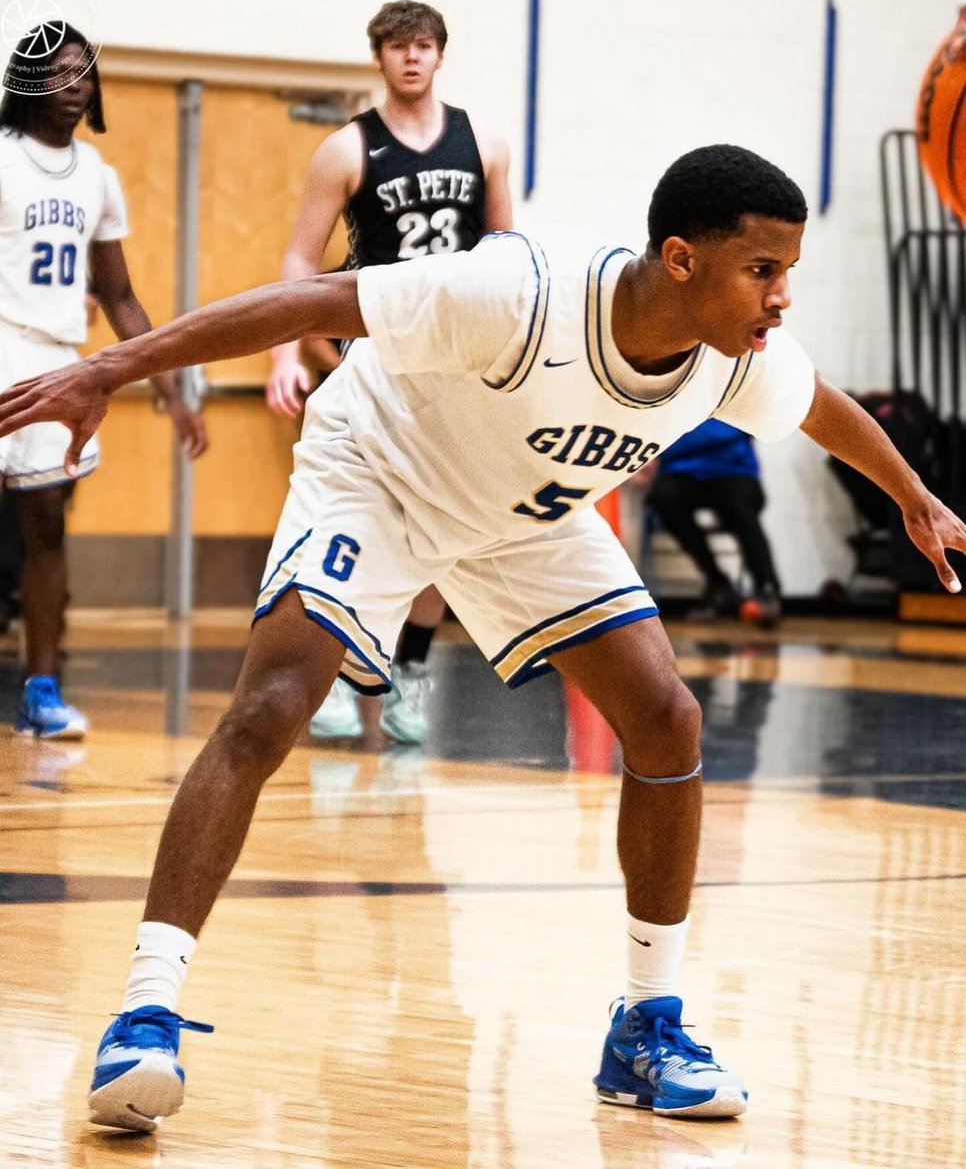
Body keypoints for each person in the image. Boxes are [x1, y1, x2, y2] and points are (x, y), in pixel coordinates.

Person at [2, 144, 964, 1130]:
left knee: (668, 719)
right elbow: (308, 304)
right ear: (680, 259)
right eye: (764, 271)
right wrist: (110, 368)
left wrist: (916, 498)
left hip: (519, 518)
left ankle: (645, 1028)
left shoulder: (733, 361)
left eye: (788, 273)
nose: (781, 298)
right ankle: (144, 1013)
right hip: (377, 470)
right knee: (273, 706)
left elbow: (822, 407)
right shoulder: (518, 293)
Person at [267, 0, 512, 744]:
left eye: (424, 45)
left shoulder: (485, 142)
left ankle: (408, 672)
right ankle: (344, 675)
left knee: (447, 525)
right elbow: (299, 262)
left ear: (441, 55)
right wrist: (284, 352)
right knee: (358, 524)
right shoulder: (346, 149)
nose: (412, 57)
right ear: (378, 57)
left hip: (459, 356)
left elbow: (508, 254)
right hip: (376, 349)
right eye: (399, 46)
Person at [0, 27, 208, 738]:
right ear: (29, 80)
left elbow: (119, 297)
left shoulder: (97, 174)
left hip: (58, 359)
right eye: (60, 73)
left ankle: (42, 691)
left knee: (48, 523)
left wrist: (171, 389)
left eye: (85, 75)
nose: (76, 86)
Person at [642, 417, 782, 625]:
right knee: (662, 497)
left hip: (733, 469)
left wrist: (671, 448)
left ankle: (766, 588)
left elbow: (746, 426)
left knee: (738, 506)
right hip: (682, 471)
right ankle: (718, 583)